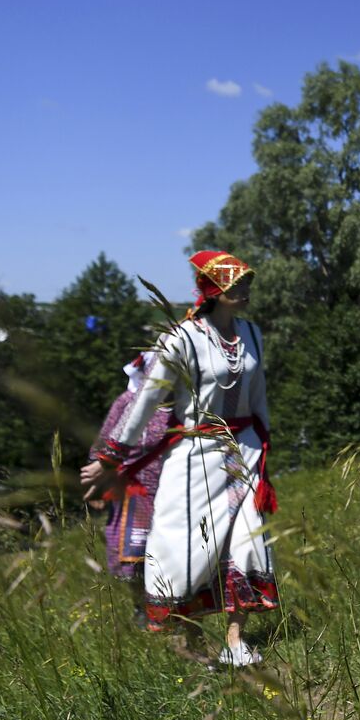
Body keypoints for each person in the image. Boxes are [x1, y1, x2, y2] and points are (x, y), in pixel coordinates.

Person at [84, 251, 278, 666]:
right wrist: (110, 457)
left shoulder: (253, 333)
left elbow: (259, 397)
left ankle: (235, 640)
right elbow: (145, 402)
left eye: (247, 282)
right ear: (215, 290)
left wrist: (264, 452)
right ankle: (186, 642)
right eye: (237, 283)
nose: (246, 291)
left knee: (247, 544)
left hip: (243, 452)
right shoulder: (182, 338)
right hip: (195, 456)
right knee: (185, 552)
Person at [80, 352, 172, 625]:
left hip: (171, 488)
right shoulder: (127, 403)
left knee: (167, 555)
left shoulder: (182, 407)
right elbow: (104, 443)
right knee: (134, 558)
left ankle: (171, 611)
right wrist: (97, 486)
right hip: (133, 490)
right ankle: (141, 607)